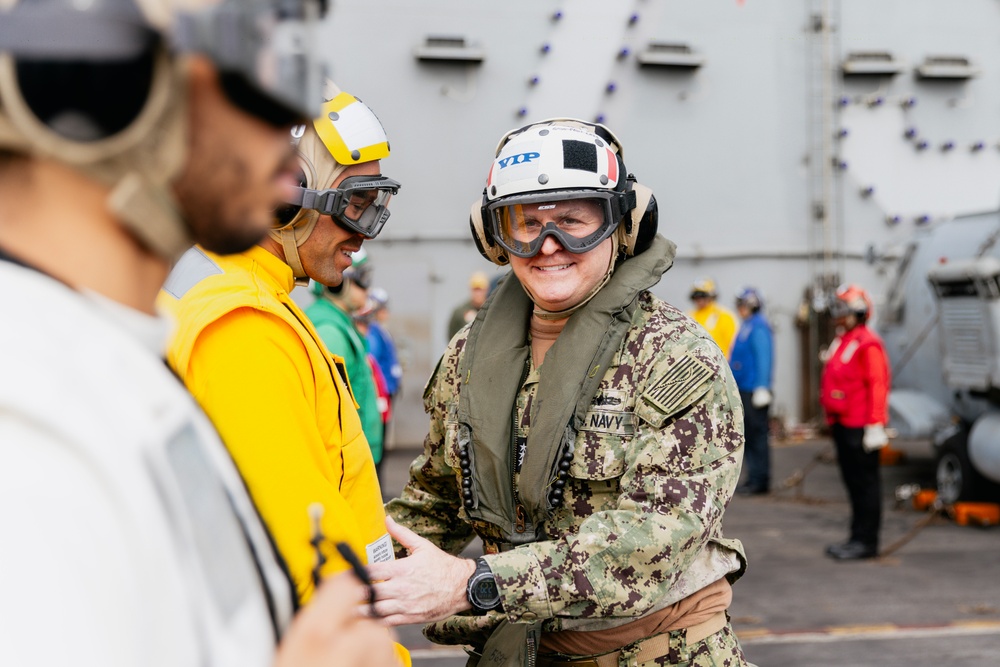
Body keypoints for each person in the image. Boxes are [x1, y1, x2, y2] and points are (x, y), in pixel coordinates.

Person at [0, 1, 396, 666]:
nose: (289, 132)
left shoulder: (107, 364)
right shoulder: (31, 424)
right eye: (261, 68)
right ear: (111, 78)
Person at [368, 118, 749, 666]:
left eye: (574, 221)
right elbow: (434, 501)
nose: (549, 246)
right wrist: (343, 571)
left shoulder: (675, 359)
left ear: (623, 226)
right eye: (525, 224)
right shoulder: (469, 357)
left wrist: (473, 583)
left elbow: (648, 542)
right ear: (493, 236)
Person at [159, 82, 404, 610]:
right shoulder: (243, 324)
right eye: (353, 204)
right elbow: (308, 565)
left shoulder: (250, 291)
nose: (364, 234)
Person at [819, 284, 891, 561]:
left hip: (860, 427)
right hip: (842, 424)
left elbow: (878, 384)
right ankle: (856, 537)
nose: (839, 316)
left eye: (844, 310)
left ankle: (866, 542)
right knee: (852, 484)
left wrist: (875, 424)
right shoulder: (845, 340)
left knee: (865, 485)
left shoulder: (868, 343)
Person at [306, 248, 385, 472]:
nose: (367, 288)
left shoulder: (339, 325)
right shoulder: (331, 332)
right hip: (347, 462)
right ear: (336, 282)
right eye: (361, 279)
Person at [729, 287, 775, 495]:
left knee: (758, 437)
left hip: (753, 390)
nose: (740, 308)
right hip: (743, 389)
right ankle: (753, 477)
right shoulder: (747, 325)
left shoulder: (758, 327)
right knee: (748, 436)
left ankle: (760, 480)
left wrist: (762, 387)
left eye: (743, 304)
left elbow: (764, 358)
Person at [687, 278, 738, 356]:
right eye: (696, 296)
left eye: (703, 296)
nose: (699, 300)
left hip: (719, 363)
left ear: (711, 296)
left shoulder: (724, 316)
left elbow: (733, 345)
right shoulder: (689, 316)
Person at [448, 270, 490, 340]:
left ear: (487, 289)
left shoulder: (492, 311)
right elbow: (452, 336)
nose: (478, 293)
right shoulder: (460, 312)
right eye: (475, 289)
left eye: (480, 289)